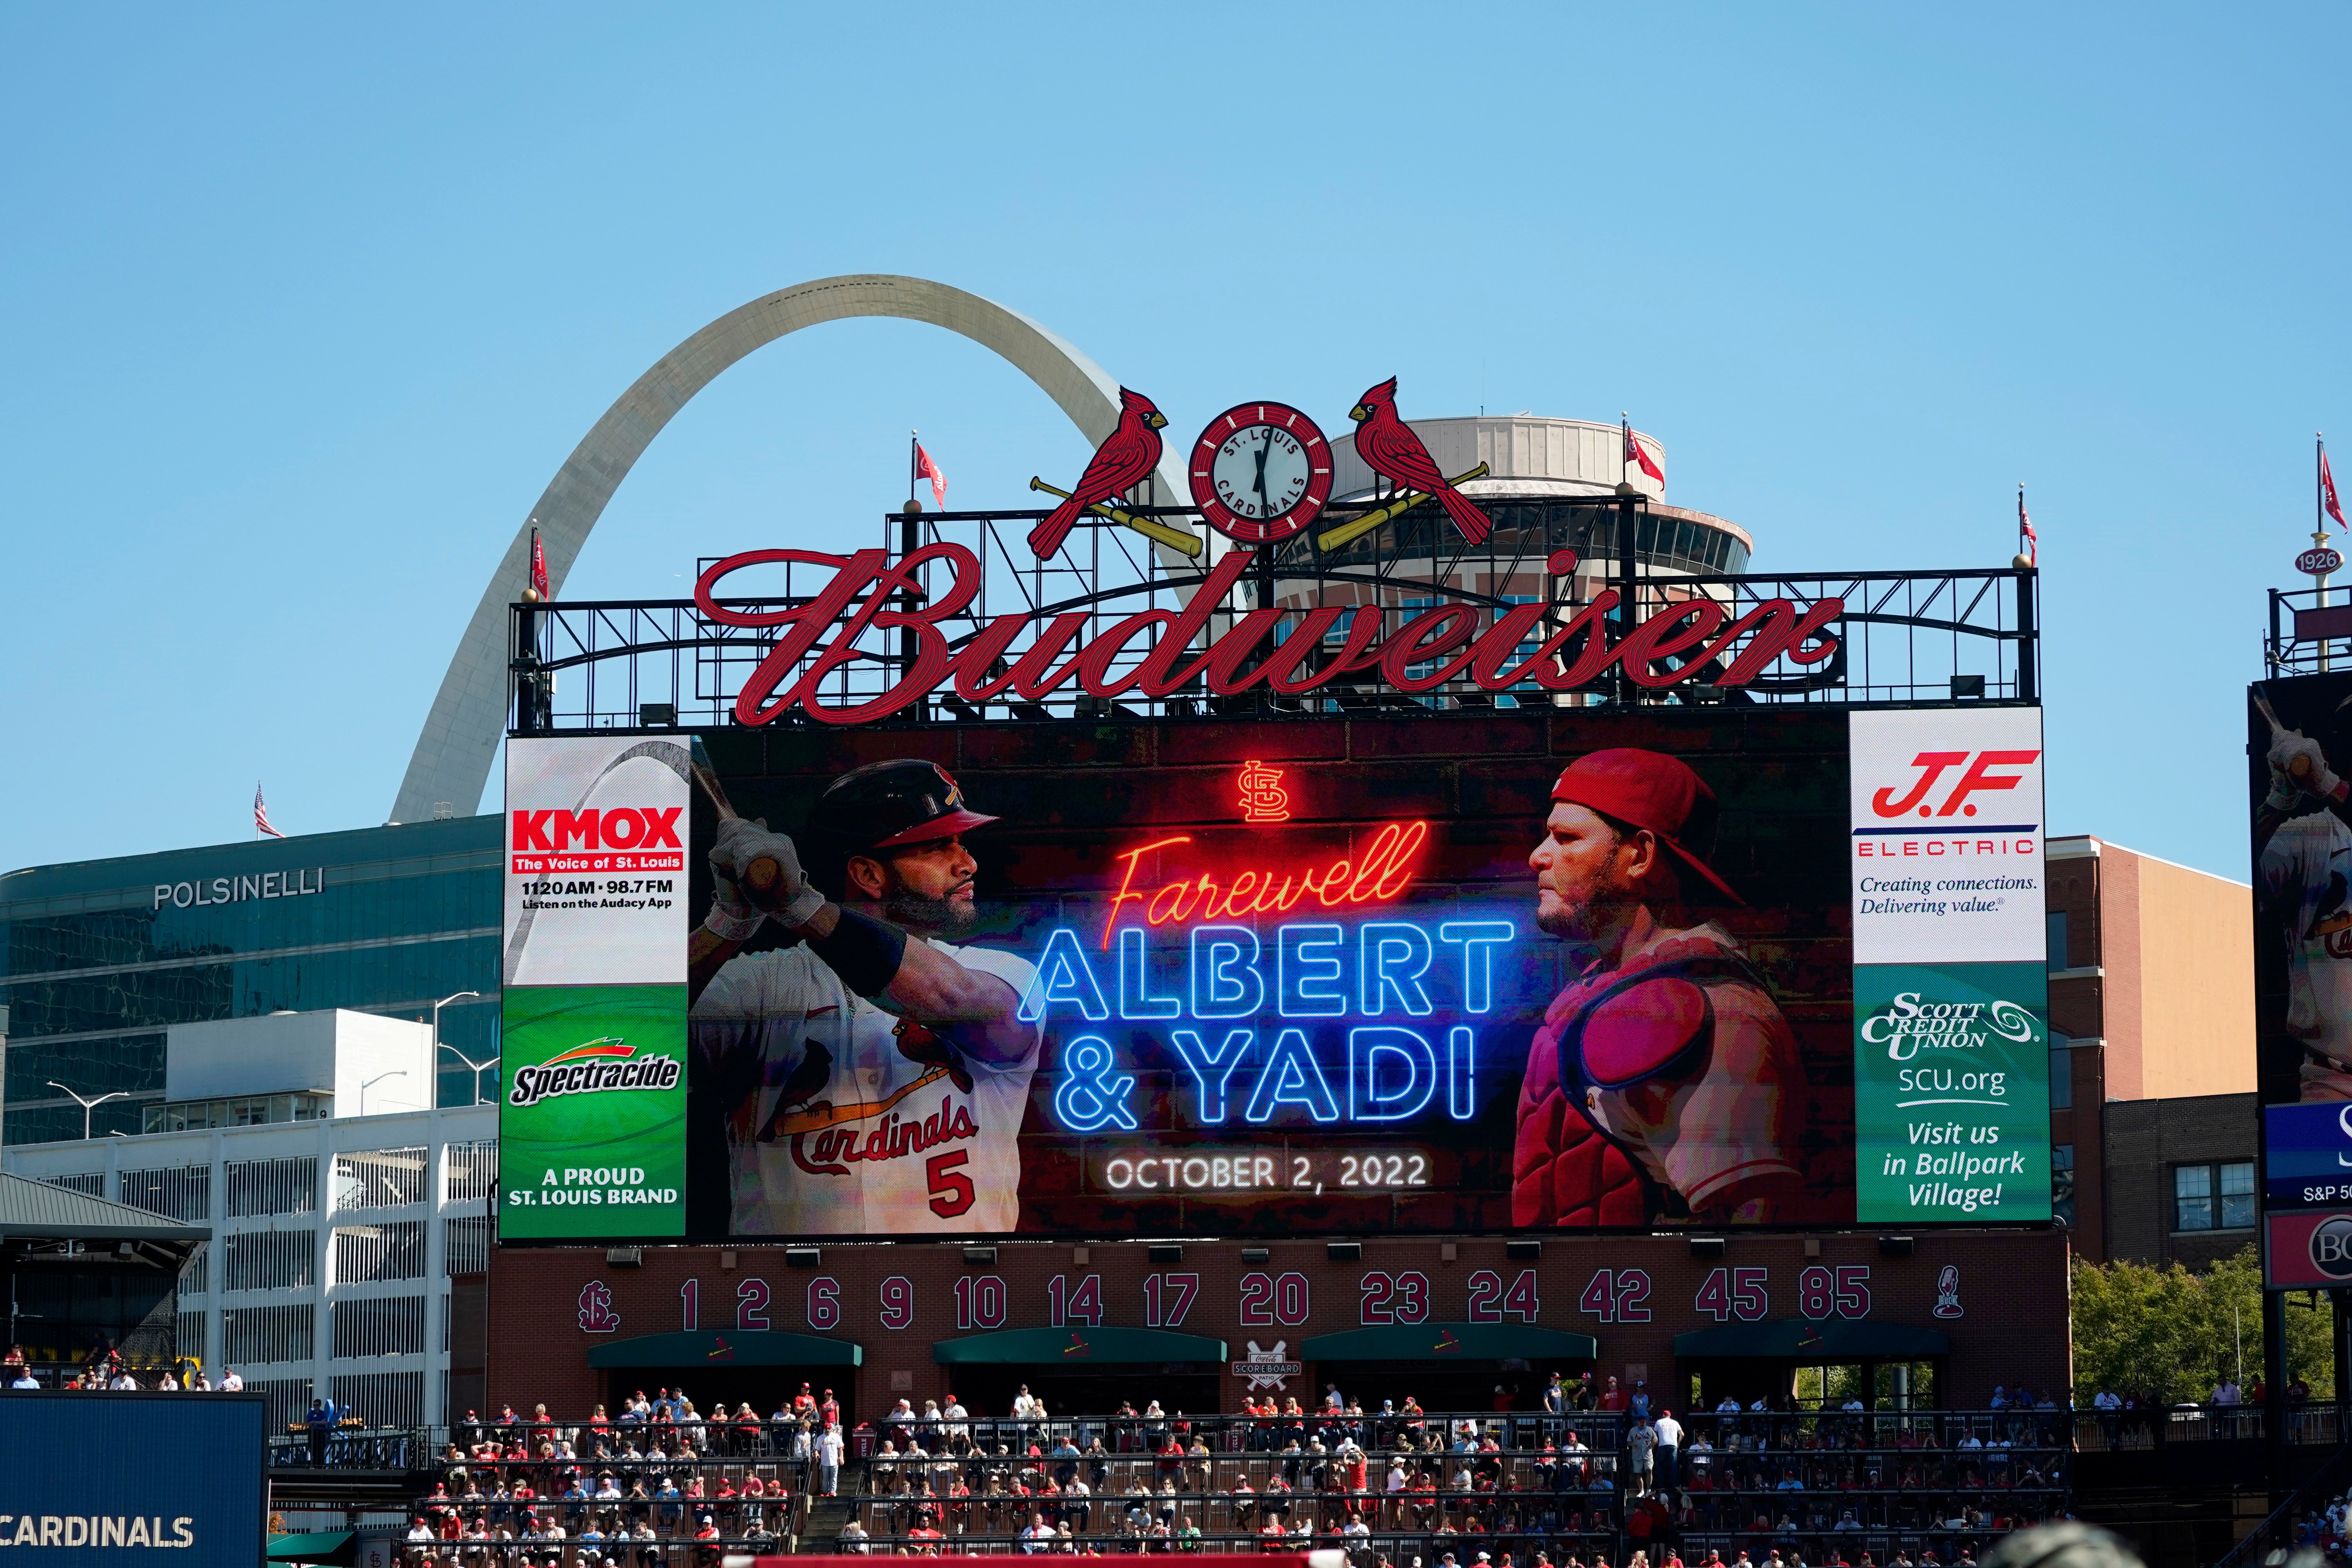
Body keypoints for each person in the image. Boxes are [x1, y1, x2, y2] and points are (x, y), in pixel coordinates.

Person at [687, 759, 1043, 1234]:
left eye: (961, 844)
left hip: (957, 1296)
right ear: (868, 875)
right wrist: (726, 926)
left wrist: (799, 904)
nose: (968, 863)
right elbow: (628, 1043)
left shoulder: (1002, 973)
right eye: (940, 847)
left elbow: (949, 999)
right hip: (788, 1300)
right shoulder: (760, 987)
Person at [1511, 750, 1834, 1225]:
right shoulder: (1603, 990)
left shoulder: (1716, 1011)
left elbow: (1753, 1239)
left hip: (1650, 1296)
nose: (1538, 854)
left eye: (1566, 838)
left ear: (1639, 855)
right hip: (1579, 1291)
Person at [1653, 1408, 1684, 1495]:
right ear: (1670, 1416)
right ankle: (1674, 1486)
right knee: (1674, 1467)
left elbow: (1654, 1434)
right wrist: (1678, 1443)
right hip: (1673, 1446)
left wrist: (1659, 1442)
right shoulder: (1675, 1423)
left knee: (1660, 1466)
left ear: (1663, 1415)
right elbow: (1682, 1434)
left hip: (1663, 1445)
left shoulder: (1659, 1422)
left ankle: (1662, 1486)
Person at [817, 1421, 845, 1497]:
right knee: (825, 1478)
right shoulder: (820, 1438)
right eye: (826, 1429)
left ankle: (833, 1491)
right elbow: (817, 1449)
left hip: (834, 1460)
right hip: (825, 1461)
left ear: (832, 1429)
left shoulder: (836, 1437)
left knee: (833, 1477)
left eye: (829, 1429)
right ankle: (825, 1492)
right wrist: (816, 1454)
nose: (828, 1430)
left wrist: (841, 1457)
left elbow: (840, 1448)